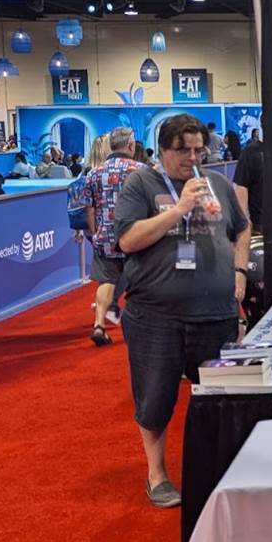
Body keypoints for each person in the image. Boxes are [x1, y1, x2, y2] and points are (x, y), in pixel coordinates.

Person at [116, 114, 249, 507]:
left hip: (216, 313)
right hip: (156, 316)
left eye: (198, 150)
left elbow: (242, 227)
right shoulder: (141, 184)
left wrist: (240, 269)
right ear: (162, 150)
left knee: (218, 398)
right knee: (155, 398)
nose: (193, 158)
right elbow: (128, 240)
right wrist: (179, 209)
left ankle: (217, 468)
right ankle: (157, 475)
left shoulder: (218, 183)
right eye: (183, 150)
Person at [83, 127, 145, 346]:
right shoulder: (141, 171)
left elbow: (89, 209)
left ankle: (99, 325)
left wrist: (94, 234)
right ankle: (139, 327)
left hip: (105, 237)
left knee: (106, 281)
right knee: (140, 281)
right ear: (130, 145)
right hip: (135, 235)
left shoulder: (94, 173)